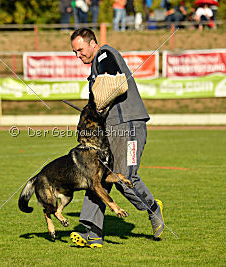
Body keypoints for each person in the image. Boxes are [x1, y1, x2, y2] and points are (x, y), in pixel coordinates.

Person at [70, 28, 164, 248]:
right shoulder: (95, 64)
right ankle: (93, 233)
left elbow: (112, 78)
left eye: (80, 50)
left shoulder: (104, 54)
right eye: (74, 52)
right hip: (109, 129)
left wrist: (98, 100)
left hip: (128, 125)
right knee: (98, 178)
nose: (78, 55)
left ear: (92, 43)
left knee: (125, 177)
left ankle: (152, 208)